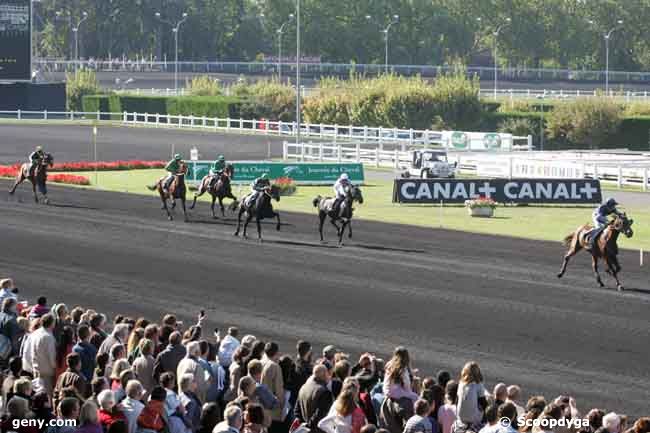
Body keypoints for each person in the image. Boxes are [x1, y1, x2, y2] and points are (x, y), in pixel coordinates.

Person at [294, 364, 333, 433]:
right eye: (327, 374)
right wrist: (309, 426)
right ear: (324, 375)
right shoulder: (324, 392)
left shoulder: (303, 387)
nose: (329, 376)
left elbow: (297, 411)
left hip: (305, 429)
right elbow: (320, 416)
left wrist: (304, 426)